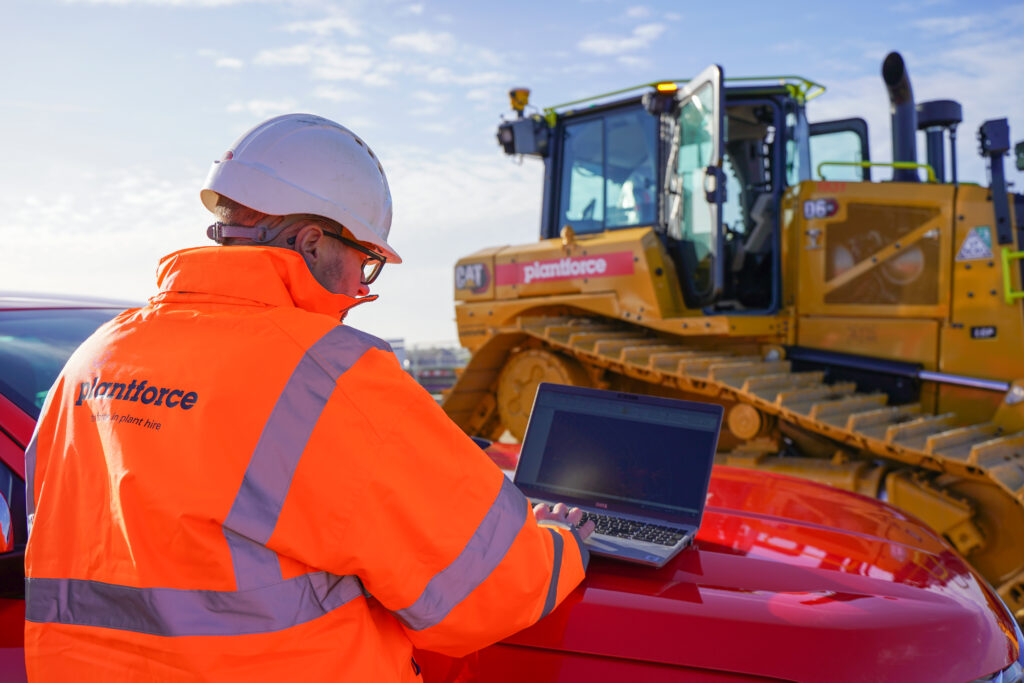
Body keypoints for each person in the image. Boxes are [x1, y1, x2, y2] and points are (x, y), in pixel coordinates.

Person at [24, 113, 594, 681]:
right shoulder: (332, 377)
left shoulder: (94, 358)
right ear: (313, 243)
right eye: (365, 260)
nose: (362, 289)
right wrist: (561, 543)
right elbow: (487, 592)